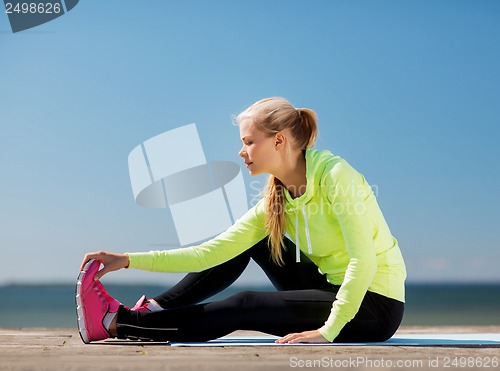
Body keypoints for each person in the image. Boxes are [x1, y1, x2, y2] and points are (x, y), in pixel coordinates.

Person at [77, 97, 406, 344]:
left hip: (374, 304)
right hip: (328, 289)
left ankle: (117, 323)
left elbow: (363, 260)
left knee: (246, 304)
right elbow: (211, 253)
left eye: (249, 142)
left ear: (279, 140)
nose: (241, 151)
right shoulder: (276, 200)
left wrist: (326, 333)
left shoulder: (336, 176)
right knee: (256, 242)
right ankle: (155, 309)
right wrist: (127, 260)